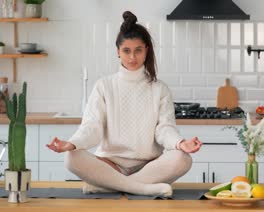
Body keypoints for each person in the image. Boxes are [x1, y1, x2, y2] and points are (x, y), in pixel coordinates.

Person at [47, 11, 202, 197]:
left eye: (138, 50)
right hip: (110, 165)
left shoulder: (160, 89)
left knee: (182, 159)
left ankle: (108, 186)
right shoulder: (104, 86)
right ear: (117, 52)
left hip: (148, 166)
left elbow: (164, 129)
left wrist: (180, 143)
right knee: (71, 158)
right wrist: (71, 144)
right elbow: (92, 127)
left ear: (146, 50)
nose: (132, 57)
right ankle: (142, 188)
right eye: (126, 51)